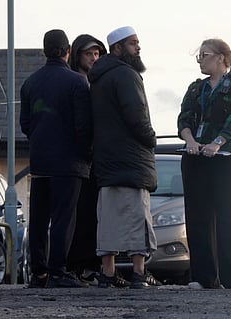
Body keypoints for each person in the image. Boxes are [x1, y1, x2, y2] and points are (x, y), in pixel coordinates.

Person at [177, 38, 231, 289]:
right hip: (197, 156)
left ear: (221, 58)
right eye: (198, 56)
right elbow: (184, 118)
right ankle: (203, 276)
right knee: (198, 214)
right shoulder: (195, 88)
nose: (200, 60)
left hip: (229, 156)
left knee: (230, 212)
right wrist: (190, 140)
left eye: (204, 55)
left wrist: (218, 143)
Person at [20, 29, 92, 288]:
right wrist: (86, 154)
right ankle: (58, 271)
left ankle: (38, 273)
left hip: (40, 160)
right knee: (64, 217)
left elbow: (25, 124)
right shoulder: (77, 83)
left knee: (39, 219)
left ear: (44, 51)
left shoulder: (30, 83)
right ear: (68, 51)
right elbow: (83, 125)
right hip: (69, 162)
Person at [88, 26, 158, 289]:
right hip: (131, 159)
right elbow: (136, 115)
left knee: (108, 218)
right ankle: (139, 273)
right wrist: (150, 138)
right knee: (137, 216)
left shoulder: (98, 77)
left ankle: (108, 273)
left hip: (107, 159)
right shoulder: (127, 75)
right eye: (133, 43)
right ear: (117, 47)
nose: (138, 48)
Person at [66, 34, 109, 286]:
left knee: (94, 214)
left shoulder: (100, 83)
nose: (93, 58)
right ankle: (76, 265)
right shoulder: (73, 82)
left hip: (97, 159)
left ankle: (90, 265)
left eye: (96, 54)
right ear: (76, 56)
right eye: (88, 54)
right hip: (76, 157)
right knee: (76, 214)